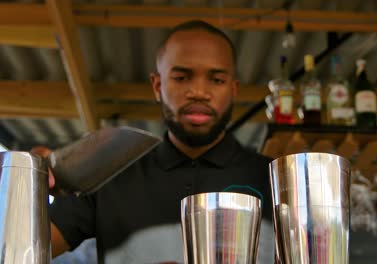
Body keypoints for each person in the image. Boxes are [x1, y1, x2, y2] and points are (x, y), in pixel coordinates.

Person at [39, 20, 275, 263]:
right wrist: (24, 181)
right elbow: (19, 251)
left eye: (216, 80)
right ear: (157, 85)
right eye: (182, 77)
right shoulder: (106, 174)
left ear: (233, 89)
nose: (199, 92)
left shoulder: (276, 182)